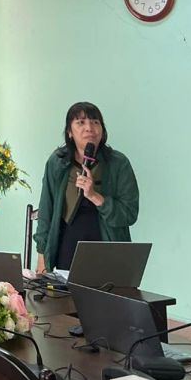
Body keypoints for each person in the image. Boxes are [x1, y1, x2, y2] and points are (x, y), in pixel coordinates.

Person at [35, 101, 139, 273]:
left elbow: (129, 214)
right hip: (66, 249)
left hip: (108, 249)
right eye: (81, 122)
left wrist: (95, 196)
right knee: (64, 291)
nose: (89, 128)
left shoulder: (118, 163)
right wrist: (42, 256)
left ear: (102, 130)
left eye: (95, 122)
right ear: (69, 132)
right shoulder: (57, 162)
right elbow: (46, 210)